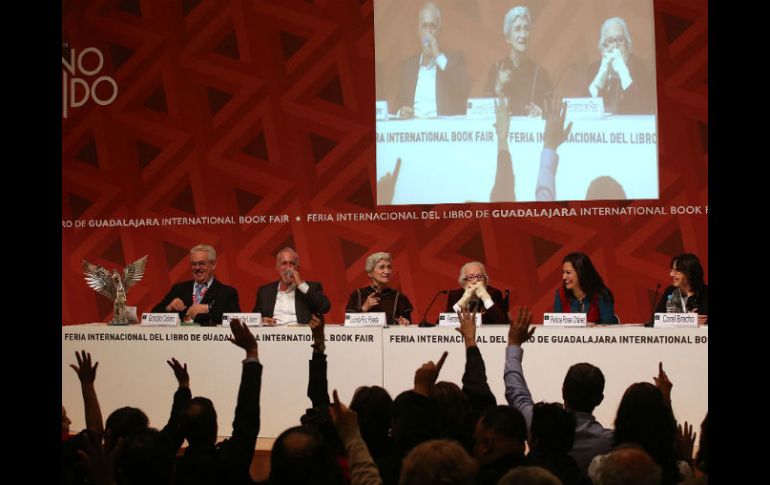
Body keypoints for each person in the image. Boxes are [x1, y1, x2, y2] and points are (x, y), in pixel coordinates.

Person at [505, 308, 614, 474]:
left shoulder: (536, 421)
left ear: (563, 391)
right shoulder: (612, 442)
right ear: (600, 399)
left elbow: (516, 391)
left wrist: (514, 344)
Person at [394, 2, 469, 118]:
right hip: (413, 130)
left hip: (442, 131)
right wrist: (400, 112)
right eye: (424, 26)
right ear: (418, 31)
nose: (428, 32)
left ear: (440, 31)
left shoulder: (455, 60)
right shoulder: (408, 66)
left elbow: (462, 91)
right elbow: (397, 106)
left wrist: (438, 56)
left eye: (432, 26)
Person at [484, 6, 553, 117]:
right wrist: (498, 88)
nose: (523, 35)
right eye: (517, 29)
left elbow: (553, 113)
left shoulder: (541, 74)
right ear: (507, 38)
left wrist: (541, 113)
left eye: (526, 29)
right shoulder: (496, 69)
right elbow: (482, 113)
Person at [152, 244, 240, 325]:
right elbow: (152, 316)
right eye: (194, 264)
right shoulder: (179, 289)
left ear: (213, 265)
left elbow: (235, 320)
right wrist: (169, 307)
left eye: (202, 263)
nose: (197, 268)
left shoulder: (227, 293)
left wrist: (208, 308)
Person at [588, 17, 655, 114]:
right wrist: (601, 75)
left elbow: (643, 106)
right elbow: (585, 106)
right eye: (610, 41)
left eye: (619, 40)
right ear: (603, 47)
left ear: (627, 44)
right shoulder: (594, 68)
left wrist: (622, 71)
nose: (615, 46)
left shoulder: (639, 66)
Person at [252, 247, 331, 325]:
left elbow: (325, 307)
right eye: (284, 263)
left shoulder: (311, 288)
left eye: (292, 264)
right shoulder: (265, 292)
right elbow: (254, 319)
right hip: (274, 335)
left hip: (300, 335)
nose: (288, 268)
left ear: (297, 268)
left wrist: (300, 284)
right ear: (277, 267)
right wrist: (262, 321)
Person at [346, 252, 413, 326]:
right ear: (370, 273)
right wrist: (364, 308)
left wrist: (404, 323)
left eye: (389, 267)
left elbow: (407, 326)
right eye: (382, 267)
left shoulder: (400, 298)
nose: (387, 271)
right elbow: (348, 324)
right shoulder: (357, 295)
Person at [553, 252, 617, 324]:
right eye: (563, 272)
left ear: (581, 272)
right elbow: (556, 327)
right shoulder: (560, 294)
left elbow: (609, 328)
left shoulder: (602, 294)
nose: (564, 277)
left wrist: (593, 328)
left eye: (568, 272)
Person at [651, 253, 708, 325]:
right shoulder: (670, 291)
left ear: (689, 272)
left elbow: (703, 320)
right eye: (672, 270)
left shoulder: (705, 293)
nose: (671, 274)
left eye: (677, 271)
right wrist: (687, 320)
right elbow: (656, 320)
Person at [445, 261, 509, 324]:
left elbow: (503, 324)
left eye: (480, 276)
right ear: (464, 282)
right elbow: (440, 323)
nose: (475, 281)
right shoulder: (455, 295)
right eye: (470, 277)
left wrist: (486, 298)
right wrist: (462, 301)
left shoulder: (494, 294)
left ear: (485, 281)